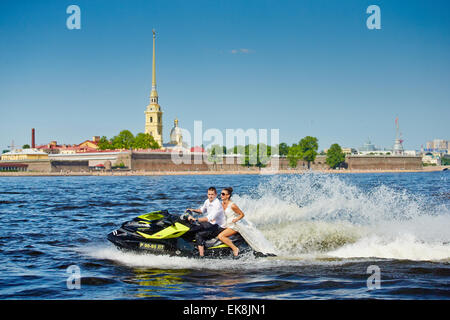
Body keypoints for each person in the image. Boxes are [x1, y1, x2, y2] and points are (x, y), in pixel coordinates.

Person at [186, 187, 226, 257]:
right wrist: (192, 210)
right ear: (207, 194)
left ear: (216, 195)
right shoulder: (207, 201)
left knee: (199, 234)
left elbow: (209, 218)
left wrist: (195, 219)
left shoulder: (217, 204)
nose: (210, 196)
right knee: (192, 228)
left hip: (218, 226)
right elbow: (202, 210)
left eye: (212, 194)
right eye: (209, 194)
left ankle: (201, 256)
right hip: (211, 224)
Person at [217, 187, 245, 257]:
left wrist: (236, 219)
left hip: (233, 225)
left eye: (223, 194)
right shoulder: (222, 204)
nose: (221, 195)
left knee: (221, 236)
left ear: (228, 195)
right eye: (221, 194)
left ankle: (235, 249)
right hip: (226, 224)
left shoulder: (232, 205)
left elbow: (242, 214)